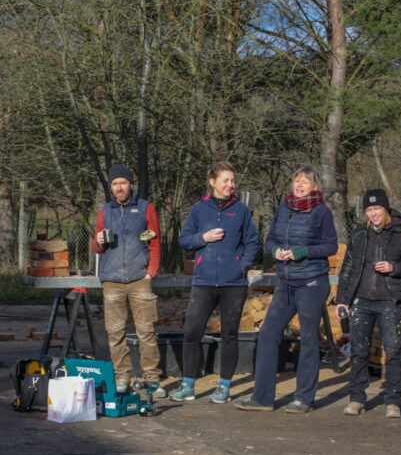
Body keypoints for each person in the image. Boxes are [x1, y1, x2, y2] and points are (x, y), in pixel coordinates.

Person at [235, 166, 337, 413]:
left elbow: (330, 246)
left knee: (309, 338)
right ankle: (262, 398)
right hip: (286, 281)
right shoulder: (283, 209)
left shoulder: (321, 212)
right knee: (268, 334)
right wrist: (275, 250)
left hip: (312, 281)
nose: (299, 185)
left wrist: (303, 252)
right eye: (296, 181)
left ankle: (303, 398)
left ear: (314, 187)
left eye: (305, 182)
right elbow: (270, 239)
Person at [171, 162, 258, 404]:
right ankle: (188, 385)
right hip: (204, 281)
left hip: (234, 283)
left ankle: (224, 387)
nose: (231, 185)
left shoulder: (241, 210)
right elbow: (185, 240)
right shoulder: (199, 209)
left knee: (229, 334)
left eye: (232, 180)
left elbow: (252, 241)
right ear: (212, 182)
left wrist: (242, 266)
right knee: (191, 333)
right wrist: (203, 238)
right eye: (226, 180)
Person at [335, 188, 401, 419]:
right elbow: (348, 269)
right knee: (358, 352)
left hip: (390, 301)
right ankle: (357, 398)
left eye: (377, 208)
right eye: (369, 210)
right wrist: (342, 301)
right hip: (362, 301)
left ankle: (393, 401)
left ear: (386, 209)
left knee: (394, 351)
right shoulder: (359, 235)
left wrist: (394, 268)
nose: (373, 214)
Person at [91, 164, 163, 396]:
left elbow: (155, 242)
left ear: (131, 184)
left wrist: (150, 272)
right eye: (114, 184)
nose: (119, 187)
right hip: (112, 280)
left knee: (146, 331)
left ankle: (152, 379)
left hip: (139, 278)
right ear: (110, 187)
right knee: (115, 332)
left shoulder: (146, 208)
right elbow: (97, 247)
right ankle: (123, 377)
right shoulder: (105, 212)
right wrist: (98, 241)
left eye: (122, 183)